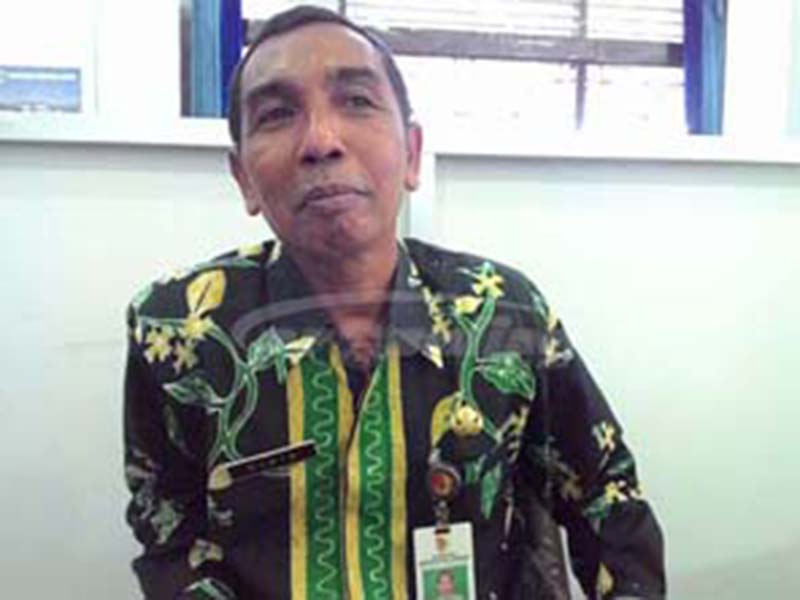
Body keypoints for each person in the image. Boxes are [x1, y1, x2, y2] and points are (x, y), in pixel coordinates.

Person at [123, 5, 665, 599]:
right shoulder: (180, 330)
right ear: (243, 178)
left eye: (356, 101)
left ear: (411, 153)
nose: (321, 141)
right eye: (277, 114)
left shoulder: (504, 314)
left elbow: (608, 501)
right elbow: (167, 524)